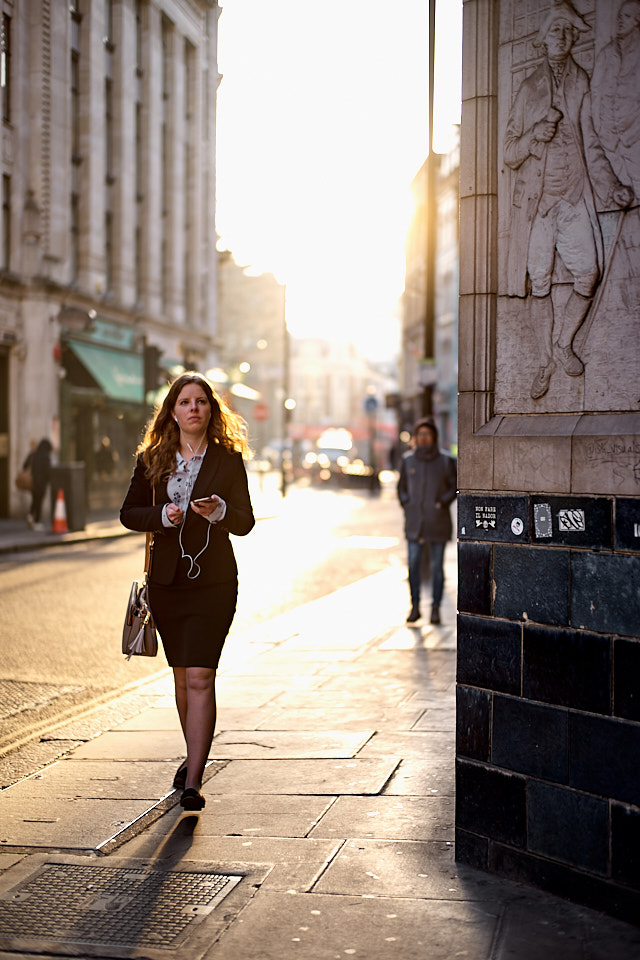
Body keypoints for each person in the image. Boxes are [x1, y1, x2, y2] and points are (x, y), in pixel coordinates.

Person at [120, 372, 255, 811]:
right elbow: (128, 513)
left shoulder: (227, 459)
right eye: (185, 402)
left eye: (201, 401)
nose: (193, 408)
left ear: (211, 410)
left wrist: (220, 512)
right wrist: (161, 515)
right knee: (181, 679)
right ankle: (192, 756)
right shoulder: (153, 458)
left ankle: (194, 780)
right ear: (172, 411)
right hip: (167, 585)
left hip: (213, 583)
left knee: (200, 676)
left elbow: (246, 522)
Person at [503, 1, 633, 400]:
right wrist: (532, 137)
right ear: (543, 40)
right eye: (554, 31)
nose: (561, 38)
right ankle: (544, 361)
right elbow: (508, 151)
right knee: (538, 283)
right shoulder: (529, 88)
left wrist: (611, 186)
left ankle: (564, 343)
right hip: (539, 202)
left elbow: (590, 141)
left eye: (567, 32)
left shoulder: (581, 82)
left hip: (574, 196)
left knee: (587, 273)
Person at [397, 418, 457, 625]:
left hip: (438, 521)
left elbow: (454, 486)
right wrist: (408, 504)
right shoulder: (408, 460)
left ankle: (436, 608)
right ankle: (415, 606)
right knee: (413, 565)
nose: (423, 438)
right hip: (414, 523)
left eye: (427, 434)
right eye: (419, 434)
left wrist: (442, 502)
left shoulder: (446, 460)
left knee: (437, 567)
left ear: (434, 437)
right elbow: (401, 488)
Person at [591, 0, 640, 200]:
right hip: (611, 143)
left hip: (635, 139)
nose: (621, 21)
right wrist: (601, 130)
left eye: (627, 17)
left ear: (637, 21)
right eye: (620, 16)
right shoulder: (606, 54)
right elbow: (596, 94)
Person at [24, 438, 52, 531]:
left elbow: (24, 466)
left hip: (33, 482)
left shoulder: (34, 454)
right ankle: (36, 521)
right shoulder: (46, 456)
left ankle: (30, 516)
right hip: (42, 483)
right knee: (39, 502)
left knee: (34, 500)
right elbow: (48, 471)